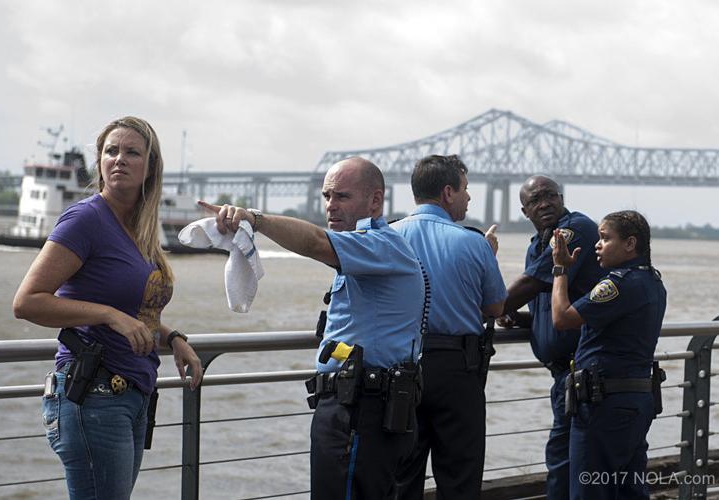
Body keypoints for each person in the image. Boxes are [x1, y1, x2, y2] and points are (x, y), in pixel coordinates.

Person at [199, 156, 424, 499]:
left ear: (375, 200)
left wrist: (254, 219)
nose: (331, 206)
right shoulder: (373, 248)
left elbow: (317, 242)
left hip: (360, 412)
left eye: (342, 196)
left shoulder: (380, 246)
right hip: (361, 407)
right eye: (327, 196)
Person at [12, 116, 203, 500]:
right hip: (94, 395)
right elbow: (27, 302)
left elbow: (138, 310)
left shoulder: (142, 229)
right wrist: (107, 314)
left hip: (133, 395)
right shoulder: (86, 219)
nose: (119, 159)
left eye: (132, 152)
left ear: (150, 167)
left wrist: (173, 338)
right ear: (98, 161)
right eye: (110, 151)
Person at [390, 155, 506, 500]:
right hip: (457, 369)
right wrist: (487, 258)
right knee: (459, 476)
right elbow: (495, 307)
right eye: (466, 189)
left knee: (400, 475)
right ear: (447, 192)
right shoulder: (473, 243)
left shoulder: (386, 238)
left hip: (398, 369)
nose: (469, 198)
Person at [550, 210, 666, 500]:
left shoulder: (617, 284)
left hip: (603, 407)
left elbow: (562, 317)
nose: (597, 245)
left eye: (605, 238)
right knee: (628, 491)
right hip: (635, 403)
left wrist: (560, 269)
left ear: (630, 244)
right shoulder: (652, 281)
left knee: (590, 491)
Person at [498, 175, 601, 500]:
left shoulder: (574, 230)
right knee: (568, 460)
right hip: (562, 375)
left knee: (567, 462)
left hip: (582, 373)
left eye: (549, 196)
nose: (544, 204)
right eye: (535, 200)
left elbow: (530, 283)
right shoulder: (536, 245)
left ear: (560, 197)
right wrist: (516, 316)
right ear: (524, 210)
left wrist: (481, 310)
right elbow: (548, 303)